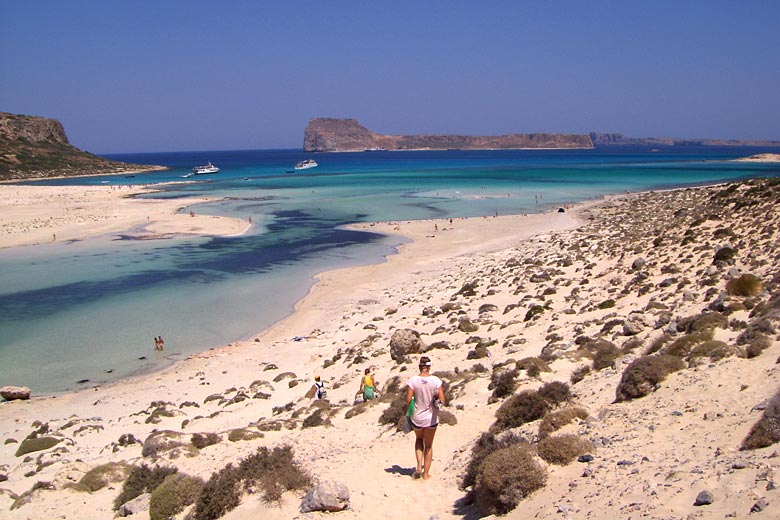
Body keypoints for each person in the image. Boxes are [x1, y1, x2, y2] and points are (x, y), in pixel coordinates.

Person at [405, 356, 446, 480]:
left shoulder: (413, 380)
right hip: (431, 418)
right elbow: (442, 400)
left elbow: (408, 400)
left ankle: (418, 467)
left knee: (418, 440)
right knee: (428, 446)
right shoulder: (435, 381)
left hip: (417, 416)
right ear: (429, 367)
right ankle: (426, 474)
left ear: (419, 366)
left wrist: (415, 399)